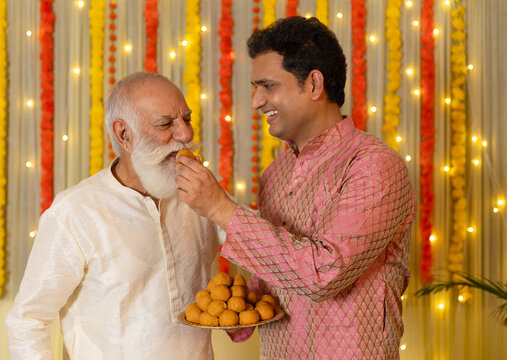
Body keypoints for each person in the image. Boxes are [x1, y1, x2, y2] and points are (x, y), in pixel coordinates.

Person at [175, 16, 416, 359]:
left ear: (314, 84)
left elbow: (323, 275)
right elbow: (276, 278)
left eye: (268, 86)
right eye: (255, 88)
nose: (257, 101)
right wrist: (237, 307)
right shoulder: (275, 175)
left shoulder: (373, 165)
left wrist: (220, 208)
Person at [6, 72, 224, 359]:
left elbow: (257, 249)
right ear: (124, 134)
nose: (186, 134)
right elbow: (29, 318)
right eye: (166, 123)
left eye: (187, 118)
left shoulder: (203, 195)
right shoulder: (75, 211)